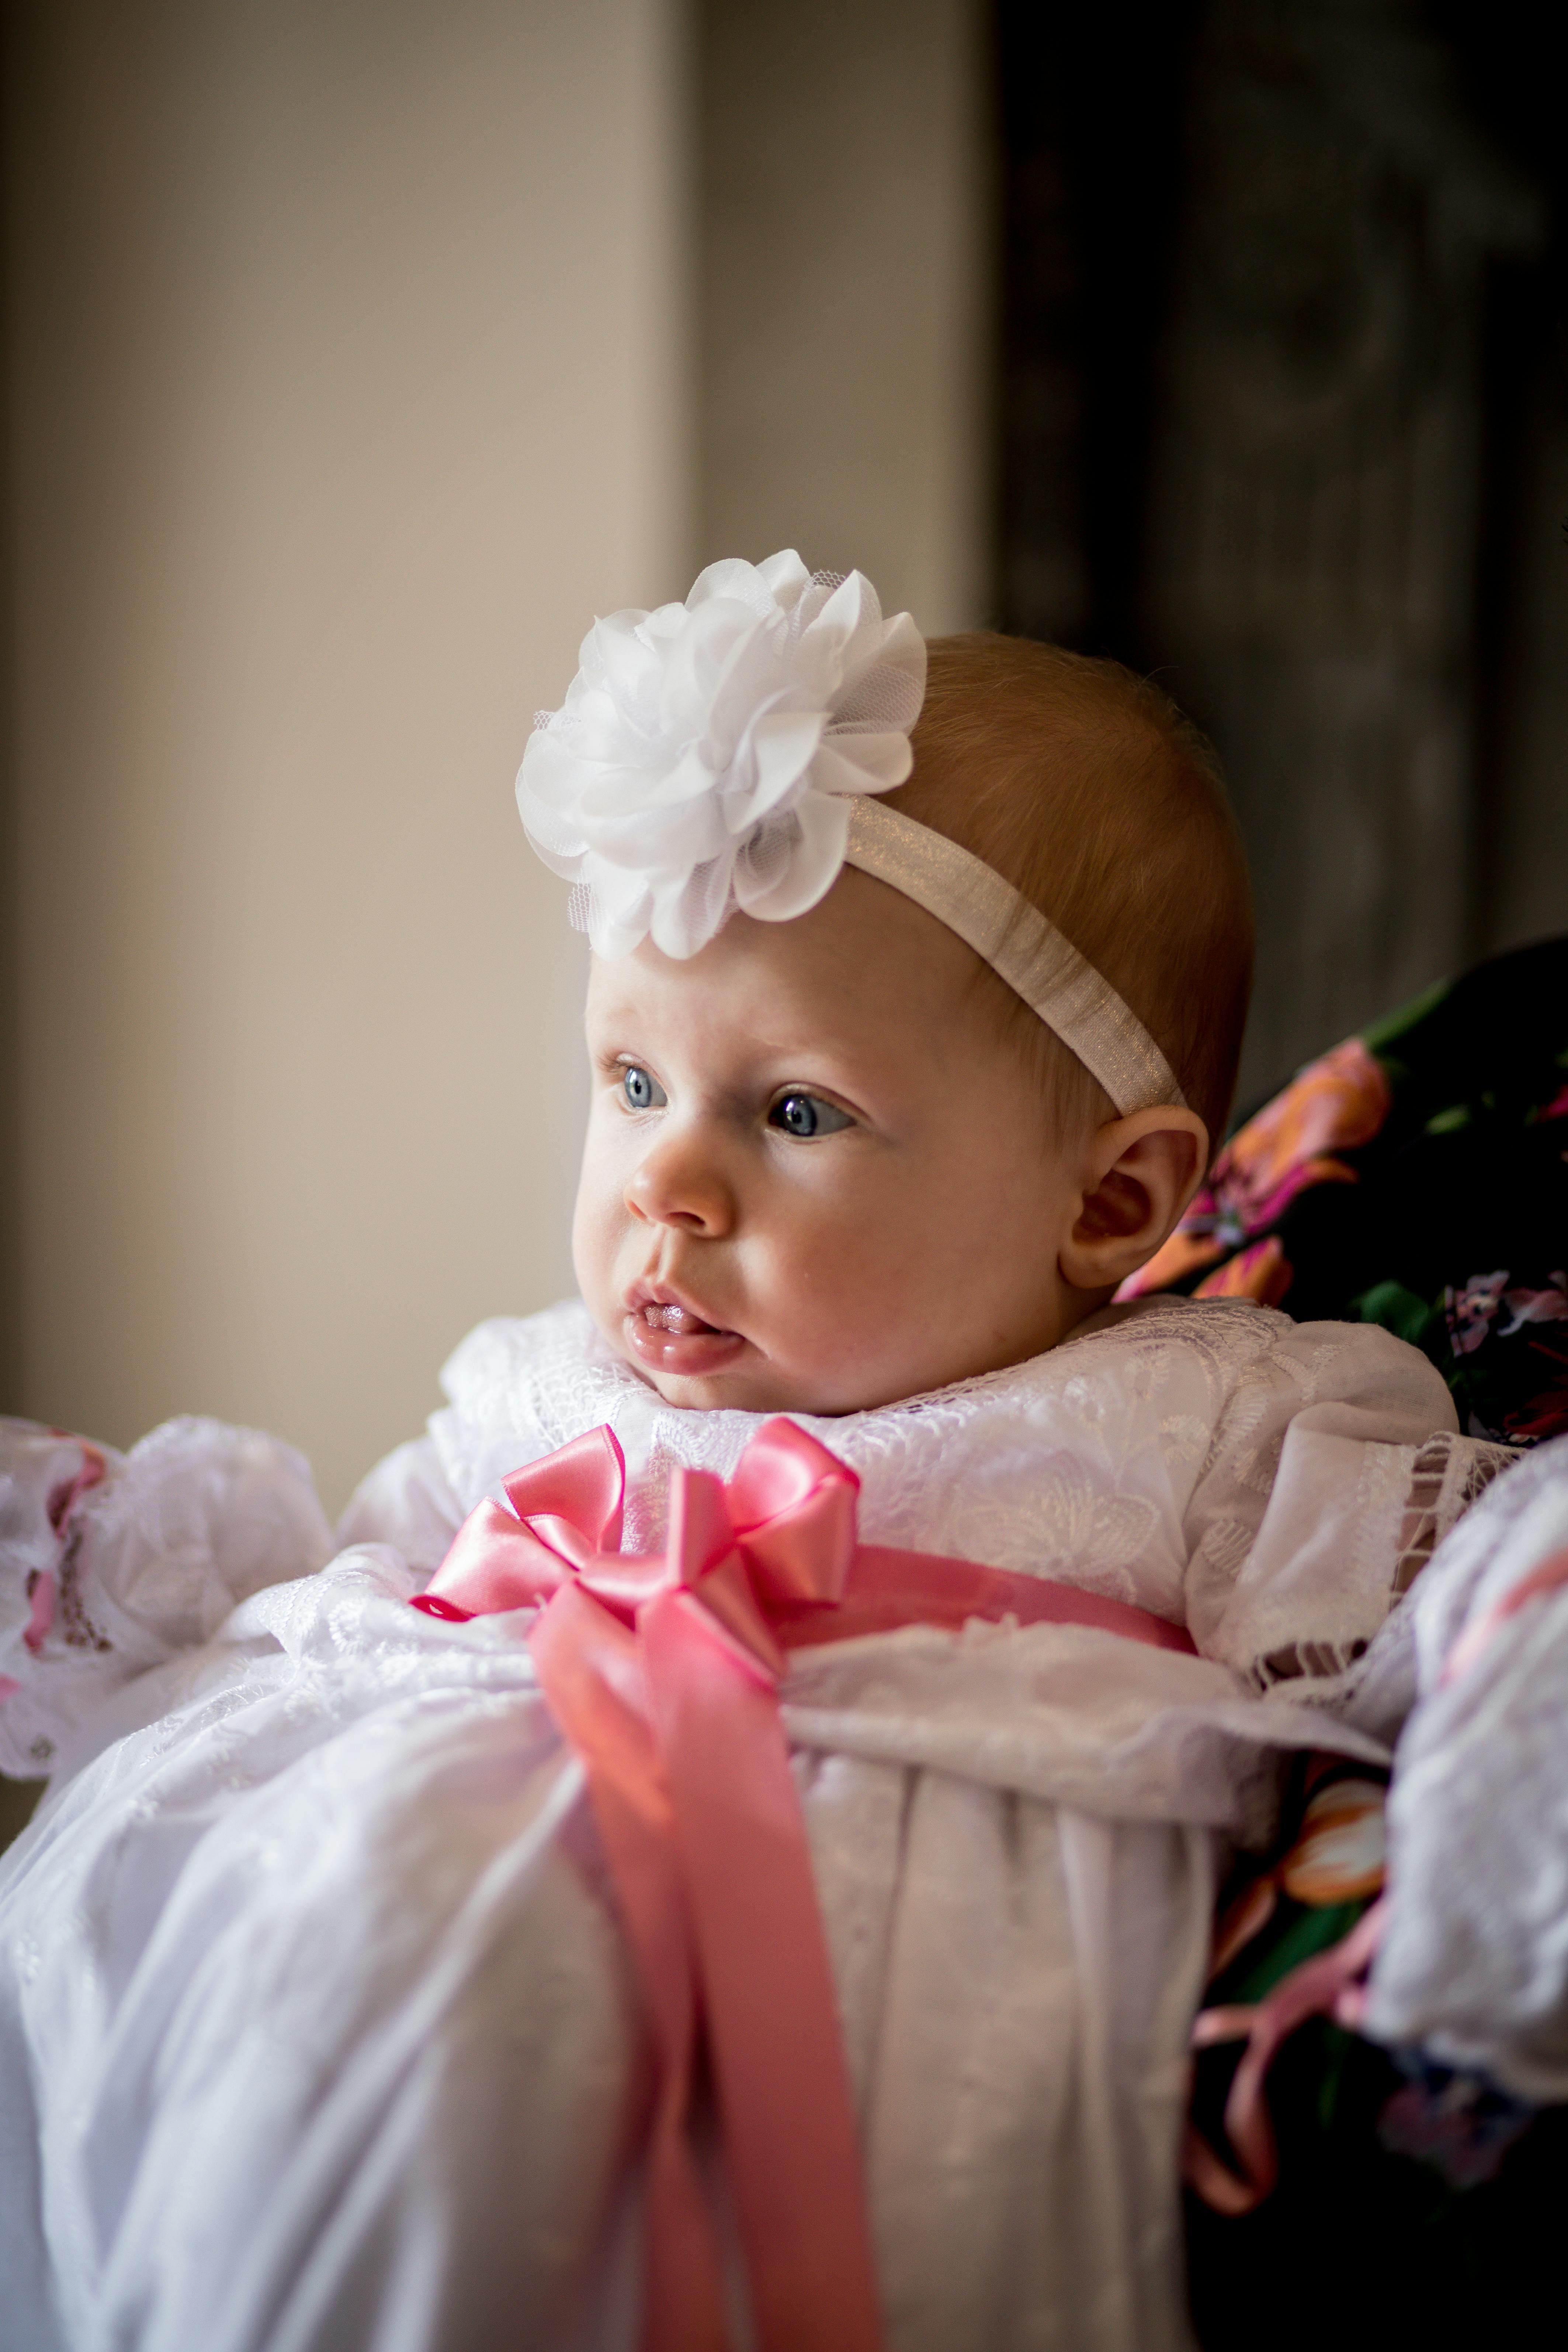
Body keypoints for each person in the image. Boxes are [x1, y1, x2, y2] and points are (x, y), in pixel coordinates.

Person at [0, 555, 1515, 2352]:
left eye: (791, 1110)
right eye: (631, 1080)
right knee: (282, 1971)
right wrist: (116, 1568)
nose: (665, 1180)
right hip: (379, 1856)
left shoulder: (1201, 1413)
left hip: (853, 1950)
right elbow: (348, 1561)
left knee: (488, 2034)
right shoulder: (542, 1389)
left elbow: (1465, 1587)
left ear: (1110, 1200)